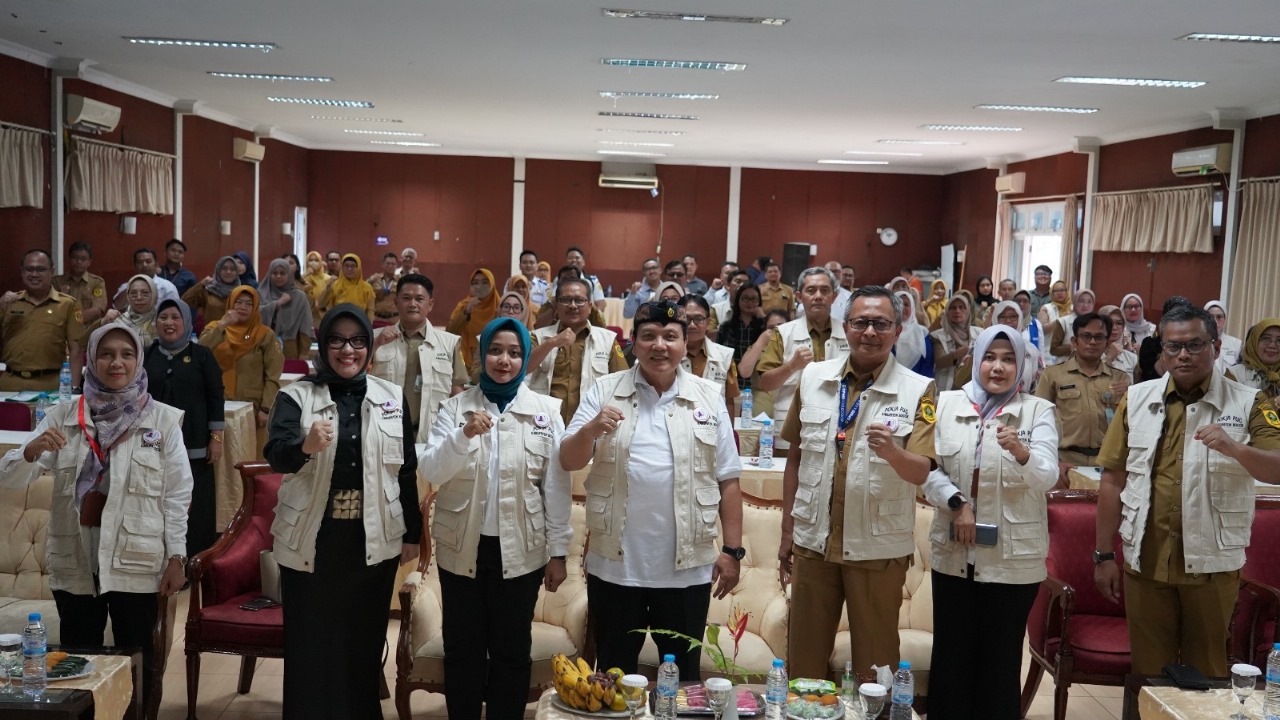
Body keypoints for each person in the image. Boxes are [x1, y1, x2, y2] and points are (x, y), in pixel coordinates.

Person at [0, 322, 191, 702]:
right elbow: (10, 479)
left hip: (137, 560)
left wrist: (177, 556)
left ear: (138, 360)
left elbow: (177, 494)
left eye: (126, 354)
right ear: (90, 360)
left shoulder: (162, 421)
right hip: (76, 559)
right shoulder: (62, 416)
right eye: (106, 354)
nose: (116, 362)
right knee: (77, 663)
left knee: (138, 661)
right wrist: (31, 450)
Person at [560, 300, 743, 680]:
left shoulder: (708, 397)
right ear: (634, 342)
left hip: (686, 572)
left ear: (685, 342)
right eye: (649, 336)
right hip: (616, 569)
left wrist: (731, 551)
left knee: (683, 680)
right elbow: (568, 459)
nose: (660, 345)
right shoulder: (605, 391)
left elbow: (728, 479)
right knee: (613, 677)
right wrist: (590, 430)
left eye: (670, 336)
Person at [1094, 305, 1280, 677]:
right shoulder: (1137, 398)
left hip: (1212, 565)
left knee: (1206, 676)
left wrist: (1235, 448)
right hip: (1147, 561)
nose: (1183, 355)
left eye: (1195, 345)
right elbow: (1112, 480)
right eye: (1173, 346)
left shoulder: (1249, 401)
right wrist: (1103, 555)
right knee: (1150, 676)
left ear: (1216, 347)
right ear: (1162, 351)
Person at [264, 304, 422, 720]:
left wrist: (413, 533)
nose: (347, 350)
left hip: (373, 538)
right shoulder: (296, 395)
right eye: (336, 340)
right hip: (313, 540)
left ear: (369, 345)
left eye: (357, 341)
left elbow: (406, 469)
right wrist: (305, 446)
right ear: (324, 345)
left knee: (363, 643)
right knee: (312, 646)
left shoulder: (390, 397)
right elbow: (276, 456)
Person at [779, 285, 938, 677]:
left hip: (877, 550)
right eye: (861, 322)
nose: (870, 332)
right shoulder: (813, 377)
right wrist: (788, 531)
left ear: (897, 330)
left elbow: (922, 471)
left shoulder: (919, 389)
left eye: (881, 324)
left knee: (876, 665)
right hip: (814, 542)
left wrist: (894, 453)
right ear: (846, 326)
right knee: (804, 660)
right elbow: (795, 457)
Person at [418, 317, 571, 720]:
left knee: (512, 651)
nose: (504, 360)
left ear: (525, 358)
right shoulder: (455, 408)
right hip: (461, 549)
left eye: (515, 353)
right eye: (496, 350)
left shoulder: (545, 412)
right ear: (482, 353)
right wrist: (463, 435)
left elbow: (555, 489)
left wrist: (558, 553)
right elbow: (431, 470)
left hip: (521, 551)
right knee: (462, 650)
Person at [922, 324, 1058, 720]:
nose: (998, 367)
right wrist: (958, 503)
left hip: (1013, 561)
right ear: (976, 360)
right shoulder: (946, 403)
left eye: (1009, 359)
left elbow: (1048, 477)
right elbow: (927, 468)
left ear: (1022, 365)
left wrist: (1022, 452)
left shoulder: (1037, 410)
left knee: (999, 662)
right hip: (954, 552)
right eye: (990, 357)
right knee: (951, 658)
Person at [144, 299, 226, 558]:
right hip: (153, 442)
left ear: (186, 322)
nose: (169, 323)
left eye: (175, 317)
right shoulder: (146, 354)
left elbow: (216, 396)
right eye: (163, 317)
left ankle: (196, 561)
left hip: (195, 443)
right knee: (156, 497)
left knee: (196, 503)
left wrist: (216, 437)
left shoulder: (202, 355)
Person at [755, 268, 847, 449]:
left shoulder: (848, 333)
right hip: (791, 427)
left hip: (836, 426)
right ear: (799, 296)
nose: (818, 296)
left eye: (825, 290)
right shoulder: (783, 333)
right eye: (811, 291)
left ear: (834, 296)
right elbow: (766, 384)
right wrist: (791, 366)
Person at [370, 274, 468, 442]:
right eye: (406, 298)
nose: (412, 304)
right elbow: (358, 379)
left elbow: (457, 394)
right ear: (396, 302)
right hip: (382, 432)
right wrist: (375, 346)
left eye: (419, 299)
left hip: (432, 436)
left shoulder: (449, 343)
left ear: (430, 305)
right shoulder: (375, 338)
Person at [1035, 313, 1128, 487]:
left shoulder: (1120, 379)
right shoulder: (1052, 375)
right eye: (1086, 336)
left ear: (1107, 342)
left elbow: (1129, 426)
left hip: (1108, 466)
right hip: (1064, 464)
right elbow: (1038, 422)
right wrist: (1053, 461)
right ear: (1074, 341)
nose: (1092, 342)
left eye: (1099, 337)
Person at [526, 278, 628, 425]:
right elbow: (522, 370)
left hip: (591, 425)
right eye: (566, 300)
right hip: (543, 424)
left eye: (579, 300)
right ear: (556, 306)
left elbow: (623, 383)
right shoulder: (538, 337)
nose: (573, 305)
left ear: (590, 306)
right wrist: (552, 342)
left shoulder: (607, 340)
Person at [200, 286, 284, 454]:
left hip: (251, 406)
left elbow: (273, 375)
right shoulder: (215, 328)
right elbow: (200, 352)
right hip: (217, 402)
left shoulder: (265, 335)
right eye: (238, 302)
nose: (242, 307)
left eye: (248, 304)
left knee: (248, 450)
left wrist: (266, 408)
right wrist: (222, 325)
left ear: (255, 307)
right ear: (230, 303)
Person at [0, 249, 85, 392]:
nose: (34, 274)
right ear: (22, 271)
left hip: (50, 385)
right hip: (10, 383)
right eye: (29, 269)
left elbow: (76, 350)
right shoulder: (9, 302)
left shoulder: (67, 305)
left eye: (40, 269)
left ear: (51, 272)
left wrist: (74, 389)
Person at [679, 295, 739, 407]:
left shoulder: (725, 356)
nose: (692, 325)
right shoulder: (668, 355)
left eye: (698, 319)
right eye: (686, 319)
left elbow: (729, 402)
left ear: (708, 322)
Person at [447, 268, 500, 379]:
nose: (479, 286)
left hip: (490, 361)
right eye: (475, 283)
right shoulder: (463, 305)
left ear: (492, 284)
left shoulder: (499, 306)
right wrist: (466, 311)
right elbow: (450, 332)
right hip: (464, 361)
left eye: (485, 282)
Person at [259, 258, 315, 359]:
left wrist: (304, 352)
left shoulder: (299, 296)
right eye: (275, 273)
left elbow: (306, 325)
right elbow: (254, 316)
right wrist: (277, 304)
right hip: (263, 347)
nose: (278, 276)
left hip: (291, 348)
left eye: (282, 273)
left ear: (289, 274)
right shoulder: (261, 294)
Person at [52, 240, 108, 327]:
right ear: (69, 259)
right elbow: (52, 309)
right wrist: (62, 296)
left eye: (83, 259)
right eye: (75, 258)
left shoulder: (97, 282)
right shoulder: (57, 281)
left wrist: (74, 320)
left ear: (89, 262)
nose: (79, 262)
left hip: (88, 330)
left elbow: (97, 310)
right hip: (62, 330)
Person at [931, 294, 979, 392]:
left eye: (961, 307)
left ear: (968, 311)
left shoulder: (979, 333)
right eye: (953, 308)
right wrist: (956, 355)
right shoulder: (938, 335)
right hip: (947, 387)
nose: (957, 311)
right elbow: (939, 362)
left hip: (972, 388)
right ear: (947, 311)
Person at [97, 274, 159, 348]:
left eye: (145, 293)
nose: (139, 297)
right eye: (133, 293)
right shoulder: (118, 322)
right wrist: (103, 323)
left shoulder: (161, 320)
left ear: (154, 295)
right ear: (128, 297)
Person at [1229, 318, 1280, 400]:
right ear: (1254, 342)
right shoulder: (1234, 374)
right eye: (1266, 338)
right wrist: (1275, 403)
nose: (1272, 345)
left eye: (1279, 340)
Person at [718, 283, 767, 367]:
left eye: (754, 299)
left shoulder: (764, 326)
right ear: (738, 300)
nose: (750, 302)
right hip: (730, 373)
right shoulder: (725, 327)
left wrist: (764, 318)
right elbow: (718, 355)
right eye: (745, 298)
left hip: (757, 373)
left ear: (759, 301)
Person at [184, 255, 241, 326]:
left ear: (237, 272)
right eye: (224, 268)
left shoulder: (241, 292)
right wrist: (201, 284)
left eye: (232, 269)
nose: (228, 272)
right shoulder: (208, 291)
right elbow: (186, 301)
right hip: (211, 332)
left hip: (236, 332)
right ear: (218, 271)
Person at [112, 248, 179, 308]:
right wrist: (131, 286)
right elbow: (117, 306)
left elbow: (175, 309)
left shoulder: (168, 287)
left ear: (156, 264)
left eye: (148, 261)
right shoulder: (126, 286)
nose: (144, 265)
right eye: (139, 262)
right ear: (135, 266)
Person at [1046, 288, 1097, 363]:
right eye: (1081, 301)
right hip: (1066, 365)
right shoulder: (1063, 322)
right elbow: (1053, 350)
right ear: (1075, 302)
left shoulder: (1097, 324)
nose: (1085, 305)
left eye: (1089, 302)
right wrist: (1072, 347)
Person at [892, 290, 935, 377]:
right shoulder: (886, 331)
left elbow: (927, 363)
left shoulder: (922, 333)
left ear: (912, 308)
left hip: (917, 380)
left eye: (906, 304)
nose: (902, 307)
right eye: (898, 304)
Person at [319, 253, 376, 318]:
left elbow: (370, 310)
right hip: (338, 320)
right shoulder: (334, 285)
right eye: (346, 266)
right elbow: (321, 305)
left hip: (359, 321)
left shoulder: (367, 287)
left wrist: (368, 323)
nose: (349, 269)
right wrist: (328, 288)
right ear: (342, 267)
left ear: (358, 268)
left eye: (353, 266)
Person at [1099, 304, 1139, 379]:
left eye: (1119, 323)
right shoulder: (1090, 354)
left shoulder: (1131, 358)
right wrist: (1109, 358)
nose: (1114, 327)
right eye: (1109, 323)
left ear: (1123, 327)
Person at [1205, 301, 1243, 373]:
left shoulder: (1237, 344)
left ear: (1225, 319)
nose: (1215, 321)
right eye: (1211, 317)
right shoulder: (1198, 343)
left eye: (1219, 317)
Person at [301, 251, 331, 330]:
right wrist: (306, 274)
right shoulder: (304, 278)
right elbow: (294, 286)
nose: (313, 262)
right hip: (307, 316)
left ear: (321, 262)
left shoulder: (328, 279)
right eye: (310, 260)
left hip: (324, 315)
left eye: (316, 260)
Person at [369, 252, 400, 324]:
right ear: (382, 264)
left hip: (394, 319)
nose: (390, 266)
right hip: (376, 318)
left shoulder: (401, 281)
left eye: (393, 264)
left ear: (396, 265)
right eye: (388, 263)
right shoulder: (374, 279)